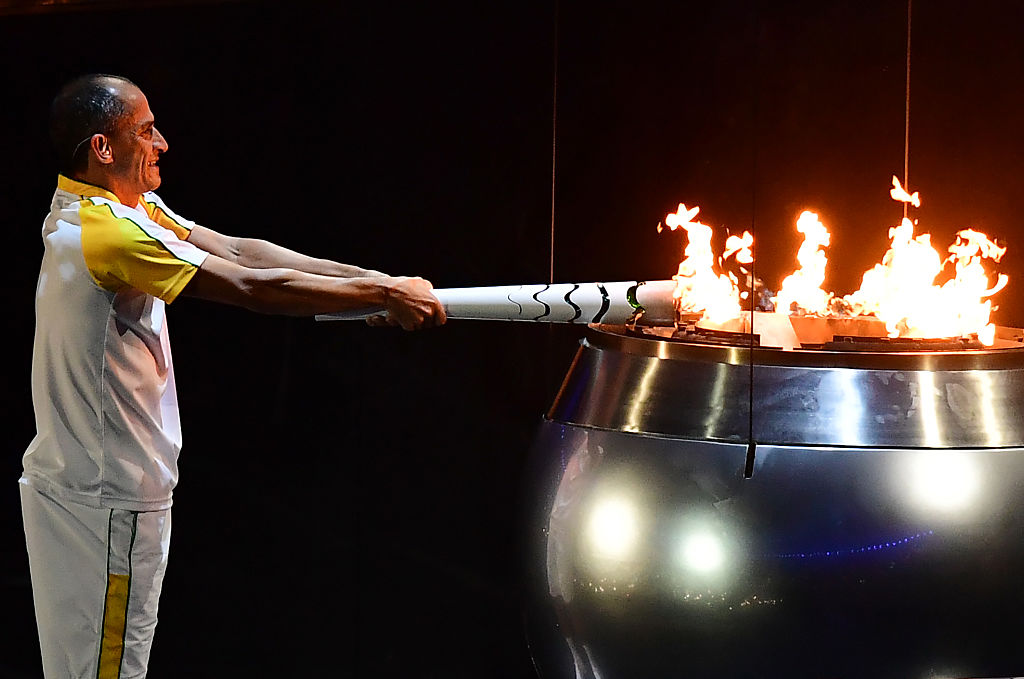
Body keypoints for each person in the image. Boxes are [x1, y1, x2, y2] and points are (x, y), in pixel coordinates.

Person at [19, 73, 446, 679]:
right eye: (145, 130)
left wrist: (374, 287)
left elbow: (243, 253)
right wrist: (377, 292)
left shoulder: (117, 210)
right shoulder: (109, 233)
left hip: (91, 495)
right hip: (105, 508)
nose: (162, 143)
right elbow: (249, 288)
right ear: (103, 149)